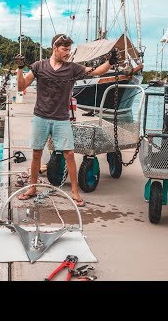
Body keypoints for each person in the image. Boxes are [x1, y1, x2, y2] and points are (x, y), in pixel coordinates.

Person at [13, 34, 118, 206]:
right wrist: (19, 68)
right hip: (41, 116)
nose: (68, 53)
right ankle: (32, 188)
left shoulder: (72, 68)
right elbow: (21, 86)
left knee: (69, 154)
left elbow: (97, 72)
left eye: (69, 49)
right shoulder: (39, 66)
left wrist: (111, 62)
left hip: (61, 119)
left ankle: (75, 192)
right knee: (36, 153)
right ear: (55, 48)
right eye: (65, 49)